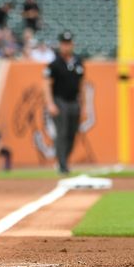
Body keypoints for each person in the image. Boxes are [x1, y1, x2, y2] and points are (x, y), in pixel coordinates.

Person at [43, 31, 85, 174]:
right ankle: (62, 165)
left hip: (74, 101)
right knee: (62, 132)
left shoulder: (78, 62)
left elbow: (81, 84)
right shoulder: (54, 64)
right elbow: (47, 84)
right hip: (59, 101)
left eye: (69, 43)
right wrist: (50, 103)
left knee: (72, 133)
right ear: (61, 45)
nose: (66, 46)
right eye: (64, 44)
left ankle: (64, 160)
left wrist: (83, 104)